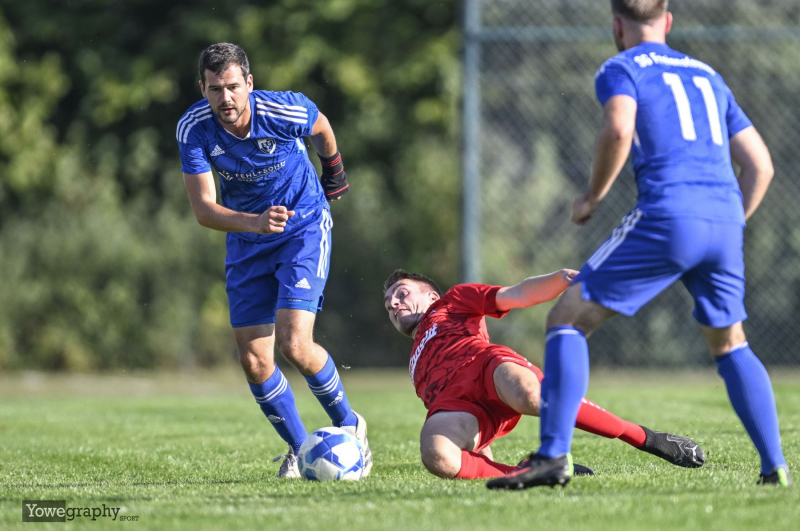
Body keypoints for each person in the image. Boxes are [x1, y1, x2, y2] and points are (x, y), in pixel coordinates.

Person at [487, 0, 790, 490]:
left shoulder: (621, 66)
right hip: (725, 219)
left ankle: (552, 457)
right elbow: (761, 165)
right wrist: (730, 223)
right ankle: (774, 465)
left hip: (668, 214)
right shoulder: (708, 76)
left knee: (567, 318)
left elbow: (619, 127)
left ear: (617, 26)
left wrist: (591, 197)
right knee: (731, 342)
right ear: (667, 22)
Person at [176, 43, 370, 478]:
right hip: (248, 238)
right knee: (254, 360)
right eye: (214, 90)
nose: (225, 99)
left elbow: (320, 125)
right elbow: (204, 210)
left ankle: (350, 427)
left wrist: (334, 171)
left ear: (248, 83)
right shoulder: (193, 129)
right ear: (202, 89)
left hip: (302, 227)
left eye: (232, 87)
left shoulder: (281, 111)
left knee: (294, 343)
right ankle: (303, 451)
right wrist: (255, 223)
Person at [383, 269, 705, 479]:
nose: (394, 305)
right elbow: (464, 437)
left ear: (431, 296)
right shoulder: (414, 361)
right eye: (388, 306)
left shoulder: (451, 303)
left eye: (401, 293)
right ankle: (524, 473)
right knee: (436, 454)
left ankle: (645, 438)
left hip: (486, 369)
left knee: (531, 395)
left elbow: (518, 293)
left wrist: (562, 280)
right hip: (460, 405)